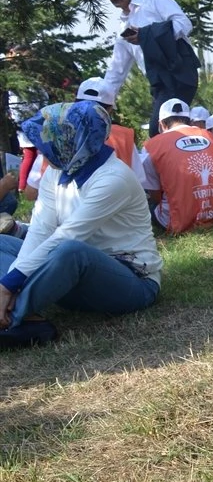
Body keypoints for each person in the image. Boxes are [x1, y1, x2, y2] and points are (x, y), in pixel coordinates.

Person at [0, 101, 162, 347]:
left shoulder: (113, 179)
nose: (43, 149)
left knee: (70, 250)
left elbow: (67, 237)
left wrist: (9, 283)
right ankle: (25, 318)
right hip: (69, 275)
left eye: (50, 139)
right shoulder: (57, 171)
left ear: (72, 140)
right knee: (3, 242)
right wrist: (8, 283)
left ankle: (12, 317)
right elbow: (41, 230)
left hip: (133, 281)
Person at [98, 0, 199, 138]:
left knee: (160, 132)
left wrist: (146, 35)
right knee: (165, 133)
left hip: (178, 74)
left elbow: (184, 24)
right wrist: (102, 102)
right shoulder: (123, 27)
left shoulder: (155, 1)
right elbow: (117, 70)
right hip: (159, 84)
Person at [142, 98, 213, 234]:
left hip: (178, 220)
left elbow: (155, 194)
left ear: (161, 124)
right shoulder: (209, 136)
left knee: (149, 205)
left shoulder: (151, 146)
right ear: (188, 120)